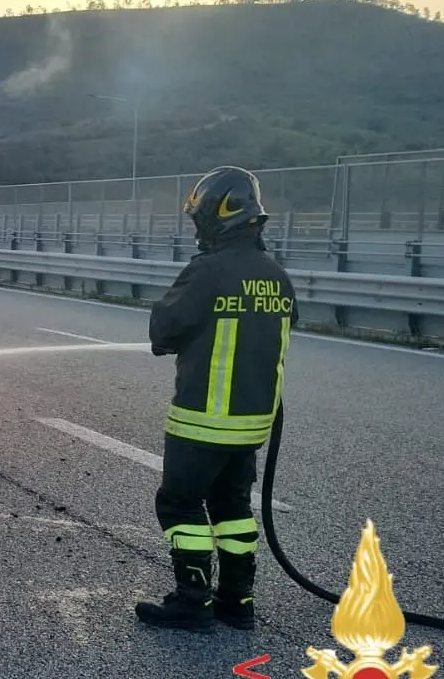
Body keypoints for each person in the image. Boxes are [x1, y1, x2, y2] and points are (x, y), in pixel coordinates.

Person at [136, 165, 298, 632]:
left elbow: (164, 331)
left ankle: (191, 601)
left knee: (180, 504)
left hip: (202, 419)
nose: (197, 231)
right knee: (232, 508)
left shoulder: (207, 272)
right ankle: (237, 601)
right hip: (252, 424)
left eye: (199, 220)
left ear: (217, 217)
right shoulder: (276, 276)